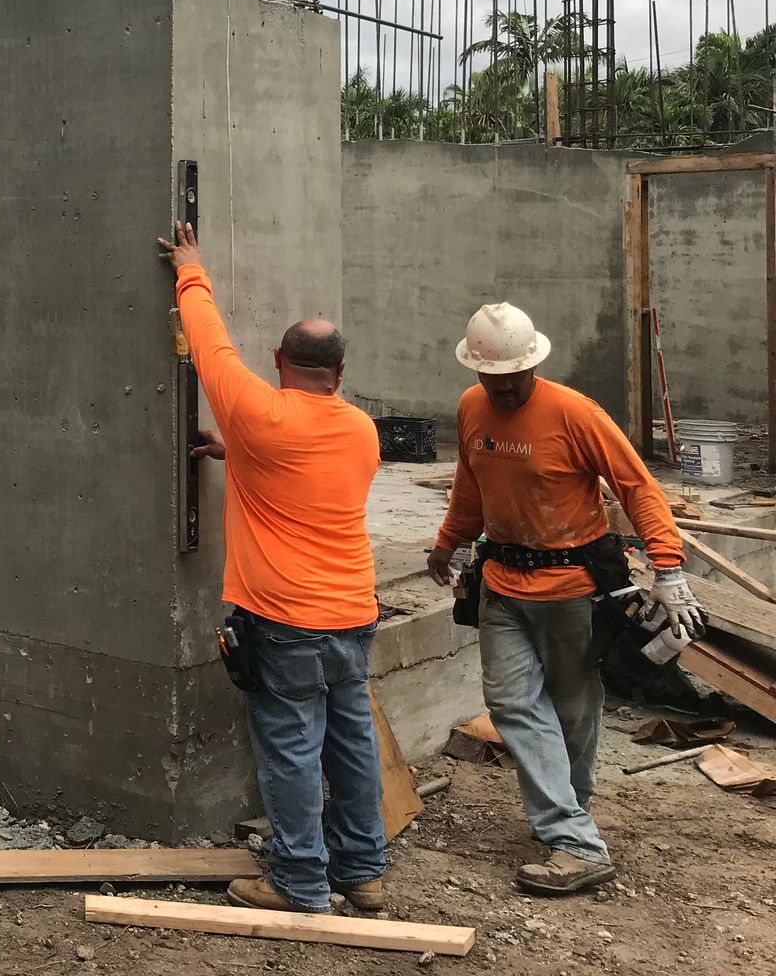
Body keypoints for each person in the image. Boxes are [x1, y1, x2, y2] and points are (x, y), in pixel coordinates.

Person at [426, 302, 705, 896]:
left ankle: (567, 815)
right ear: (476, 371)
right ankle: (574, 837)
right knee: (510, 704)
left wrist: (669, 566)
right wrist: (447, 544)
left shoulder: (575, 413)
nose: (502, 389)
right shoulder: (471, 409)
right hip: (501, 582)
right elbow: (469, 486)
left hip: (573, 588)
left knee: (575, 711)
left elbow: (637, 487)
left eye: (513, 378)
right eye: (491, 378)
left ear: (533, 364)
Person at [157, 220, 386, 915]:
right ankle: (363, 872)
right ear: (340, 374)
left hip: (285, 621)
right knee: (351, 744)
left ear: (278, 358)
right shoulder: (360, 428)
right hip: (353, 615)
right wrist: (240, 454)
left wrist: (189, 267)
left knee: (289, 750)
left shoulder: (260, 412)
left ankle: (298, 881)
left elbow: (208, 341)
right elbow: (307, 474)